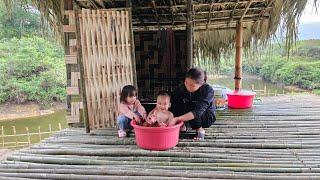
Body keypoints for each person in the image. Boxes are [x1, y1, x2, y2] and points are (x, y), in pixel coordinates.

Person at [169, 67, 216, 140]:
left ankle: (200, 130)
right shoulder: (183, 87)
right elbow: (172, 101)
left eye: (192, 85)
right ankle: (182, 126)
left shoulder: (208, 91)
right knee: (176, 102)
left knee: (191, 106)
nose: (188, 87)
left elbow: (198, 112)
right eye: (186, 83)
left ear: (201, 84)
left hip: (206, 117)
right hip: (190, 116)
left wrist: (177, 119)